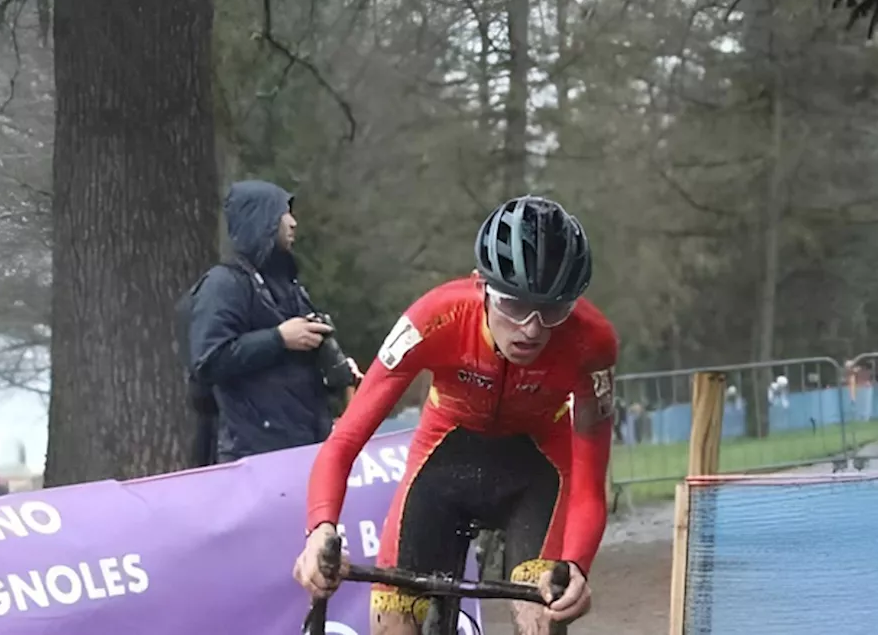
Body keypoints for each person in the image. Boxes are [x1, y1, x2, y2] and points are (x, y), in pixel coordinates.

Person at [293, 195, 618, 635]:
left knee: (542, 615)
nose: (533, 327)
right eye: (514, 304)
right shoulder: (434, 318)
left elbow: (589, 485)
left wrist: (577, 564)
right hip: (445, 457)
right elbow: (345, 441)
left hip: (537, 467)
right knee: (393, 621)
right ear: (481, 285)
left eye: (555, 309)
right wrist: (319, 529)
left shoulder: (592, 342)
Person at [186, 180, 348, 463]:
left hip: (306, 443)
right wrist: (278, 338)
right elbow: (208, 361)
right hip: (253, 456)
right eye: (283, 213)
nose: (294, 223)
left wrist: (332, 368)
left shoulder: (290, 284)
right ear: (262, 220)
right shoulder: (224, 284)